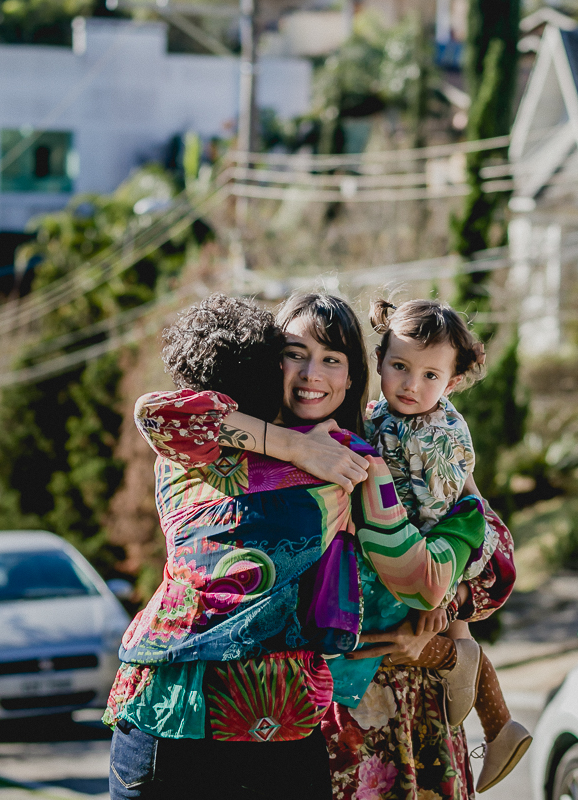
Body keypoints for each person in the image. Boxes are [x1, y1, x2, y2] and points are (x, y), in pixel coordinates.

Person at [103, 293, 486, 799]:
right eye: (294, 353)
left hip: (277, 722)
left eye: (331, 359)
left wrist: (467, 515)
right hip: (171, 709)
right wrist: (297, 446)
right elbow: (152, 412)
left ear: (353, 377)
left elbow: (421, 581)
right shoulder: (211, 433)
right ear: (270, 360)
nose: (311, 373)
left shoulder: (357, 464)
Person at [324, 297, 528, 794]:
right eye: (399, 368)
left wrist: (446, 593)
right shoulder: (372, 419)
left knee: (449, 634)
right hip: (393, 595)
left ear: (452, 381)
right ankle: (491, 713)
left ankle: (476, 683)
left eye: (430, 376)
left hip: (427, 563)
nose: (412, 385)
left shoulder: (436, 436)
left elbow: (450, 516)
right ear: (378, 363)